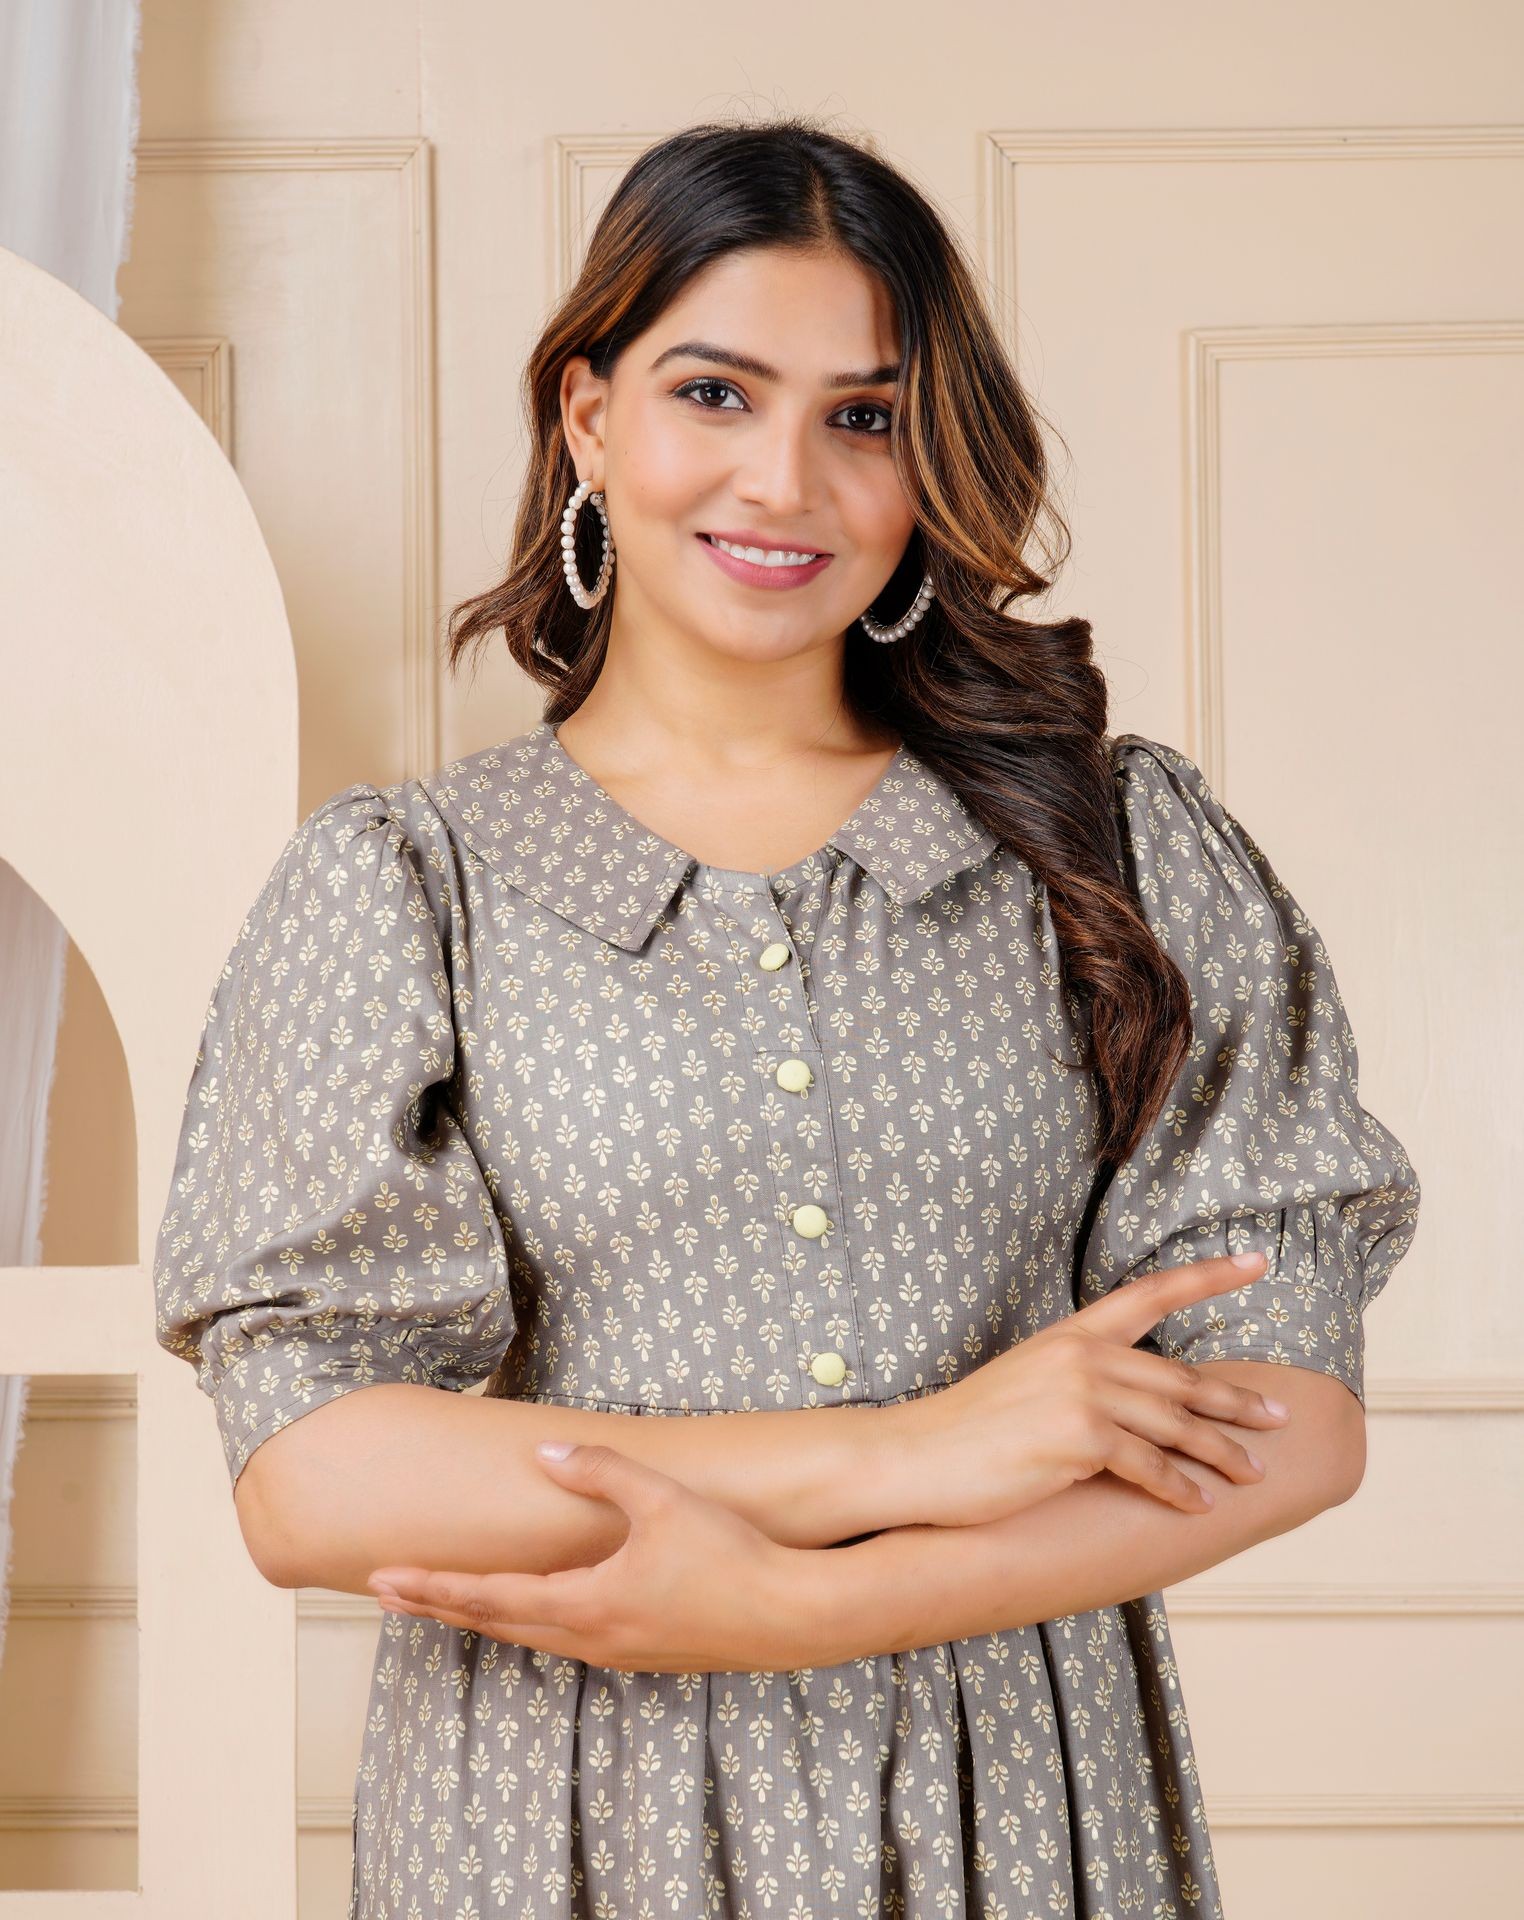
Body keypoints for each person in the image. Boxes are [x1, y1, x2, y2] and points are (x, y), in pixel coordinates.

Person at [151, 116, 1422, 1920]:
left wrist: (814, 1602)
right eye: (716, 394)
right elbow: (313, 1472)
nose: (785, 485)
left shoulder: (1116, 848)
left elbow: (1289, 1409)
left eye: (864, 417)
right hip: (552, 1812)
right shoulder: (407, 888)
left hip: (1023, 1803)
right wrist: (909, 1455)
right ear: (589, 416)